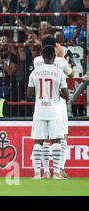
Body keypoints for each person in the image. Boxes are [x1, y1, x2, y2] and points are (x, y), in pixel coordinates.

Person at [33, 34, 74, 179]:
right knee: (61, 135)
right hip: (58, 102)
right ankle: (60, 169)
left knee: (43, 137)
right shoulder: (61, 61)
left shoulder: (37, 61)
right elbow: (71, 74)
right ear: (55, 46)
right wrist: (61, 55)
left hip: (41, 101)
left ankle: (44, 171)